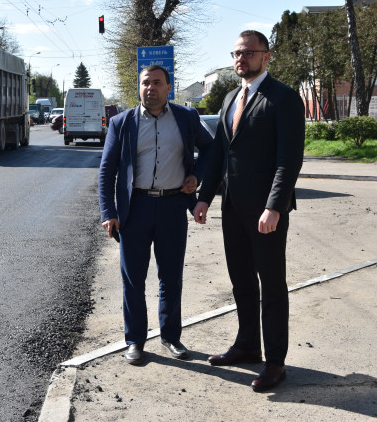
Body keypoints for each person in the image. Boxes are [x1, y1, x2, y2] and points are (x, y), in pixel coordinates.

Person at [193, 30, 305, 391]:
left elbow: (289, 160)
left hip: (266, 214)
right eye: (236, 53)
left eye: (249, 53)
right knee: (241, 280)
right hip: (234, 210)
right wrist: (204, 197)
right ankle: (246, 345)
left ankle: (275, 362)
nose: (241, 59)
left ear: (265, 57)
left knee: (271, 285)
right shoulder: (229, 98)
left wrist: (274, 206)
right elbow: (220, 155)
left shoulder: (283, 98)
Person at [98, 64, 213, 365]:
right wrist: (109, 211)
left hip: (174, 206)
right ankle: (135, 341)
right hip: (134, 209)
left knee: (171, 277)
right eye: (146, 83)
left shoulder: (187, 118)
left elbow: (211, 150)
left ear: (168, 87)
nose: (151, 88)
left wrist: (196, 177)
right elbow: (107, 170)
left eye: (157, 83)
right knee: (133, 279)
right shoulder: (121, 123)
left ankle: (171, 337)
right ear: (140, 87)